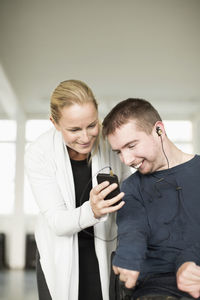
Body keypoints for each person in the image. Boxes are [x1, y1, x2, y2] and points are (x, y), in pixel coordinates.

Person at [25, 80, 130, 300]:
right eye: (74, 129)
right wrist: (92, 211)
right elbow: (56, 222)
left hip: (104, 249)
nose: (85, 137)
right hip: (59, 253)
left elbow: (128, 195)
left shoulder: (109, 141)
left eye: (92, 125)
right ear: (54, 122)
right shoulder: (39, 152)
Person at [102, 98, 200, 300]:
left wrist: (189, 262)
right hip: (157, 284)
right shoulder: (131, 186)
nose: (127, 160)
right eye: (119, 152)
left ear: (159, 131)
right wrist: (128, 256)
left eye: (131, 145)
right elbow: (132, 229)